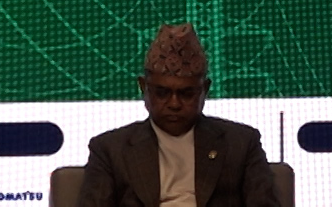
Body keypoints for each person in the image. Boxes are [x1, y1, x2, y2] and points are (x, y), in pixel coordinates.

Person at [77, 23, 278, 207]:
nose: (174, 104)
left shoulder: (241, 143)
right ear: (143, 87)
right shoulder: (110, 150)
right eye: (162, 93)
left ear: (205, 90)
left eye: (186, 94)